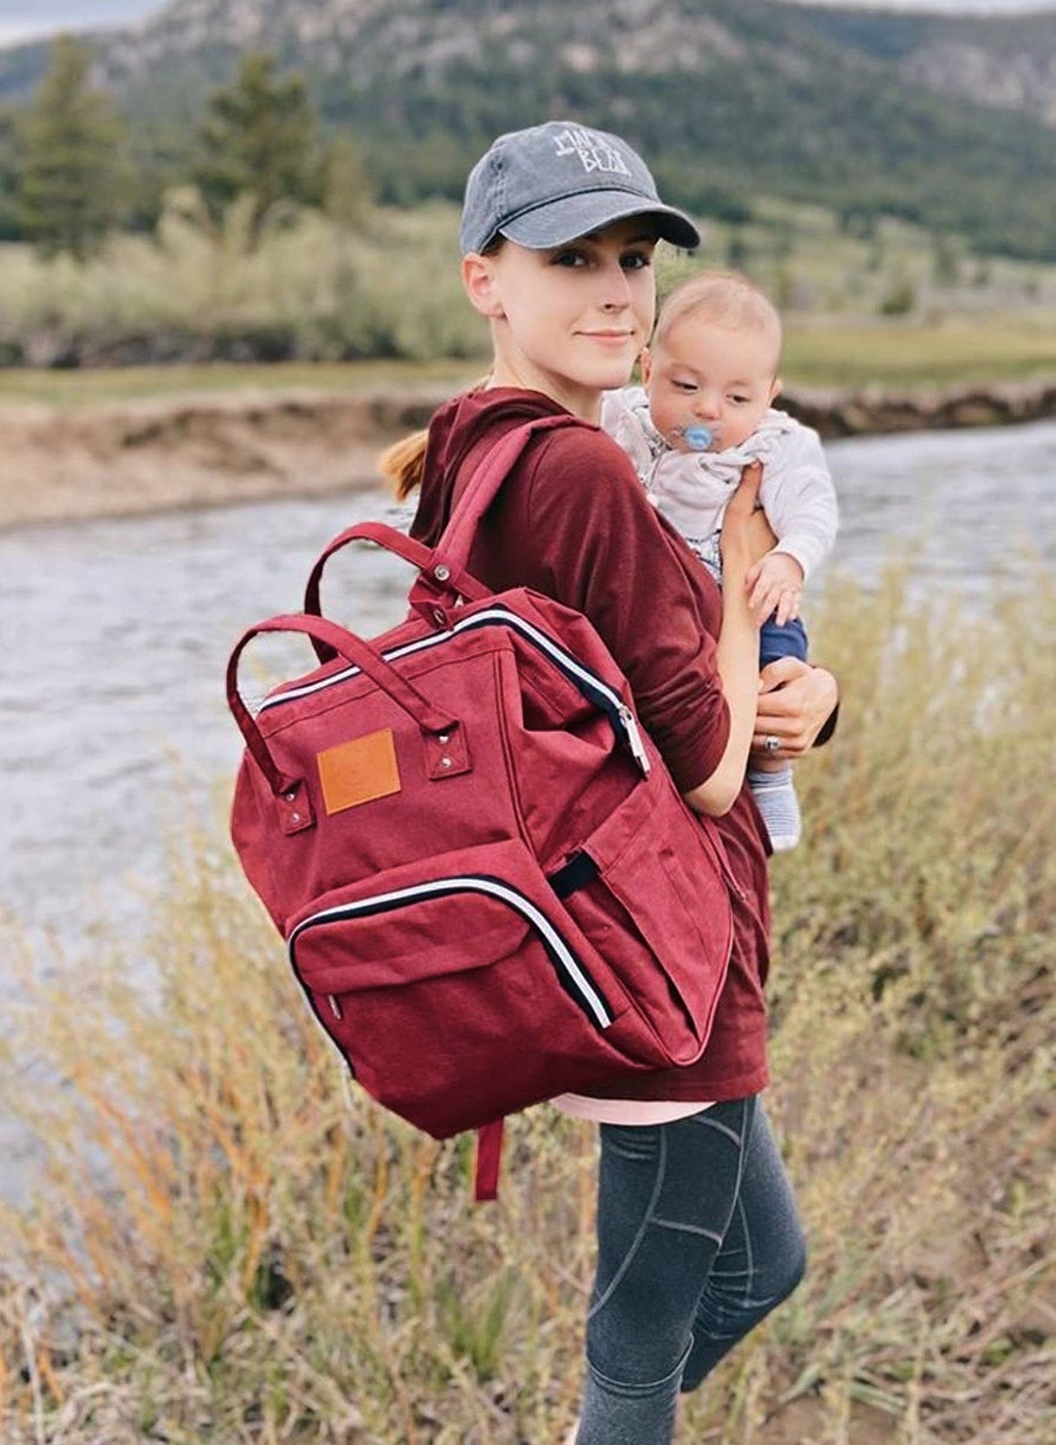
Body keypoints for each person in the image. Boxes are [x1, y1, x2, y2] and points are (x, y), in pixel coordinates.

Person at [379, 120, 840, 1445]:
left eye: (632, 258)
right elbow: (704, 760)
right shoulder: (580, 467)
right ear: (486, 279)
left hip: (607, 930)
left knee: (761, 1266)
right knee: (635, 1354)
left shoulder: (475, 437)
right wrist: (749, 570)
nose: (614, 293)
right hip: (658, 951)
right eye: (571, 257)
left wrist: (809, 701)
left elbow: (624, 693)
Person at [602, 271, 839, 852]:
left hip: (753, 593)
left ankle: (770, 772)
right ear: (648, 369)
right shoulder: (623, 422)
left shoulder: (774, 446)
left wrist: (789, 560)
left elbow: (814, 511)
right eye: (685, 386)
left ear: (769, 396)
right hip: (676, 594)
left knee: (776, 661)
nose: (707, 410)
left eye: (737, 398)